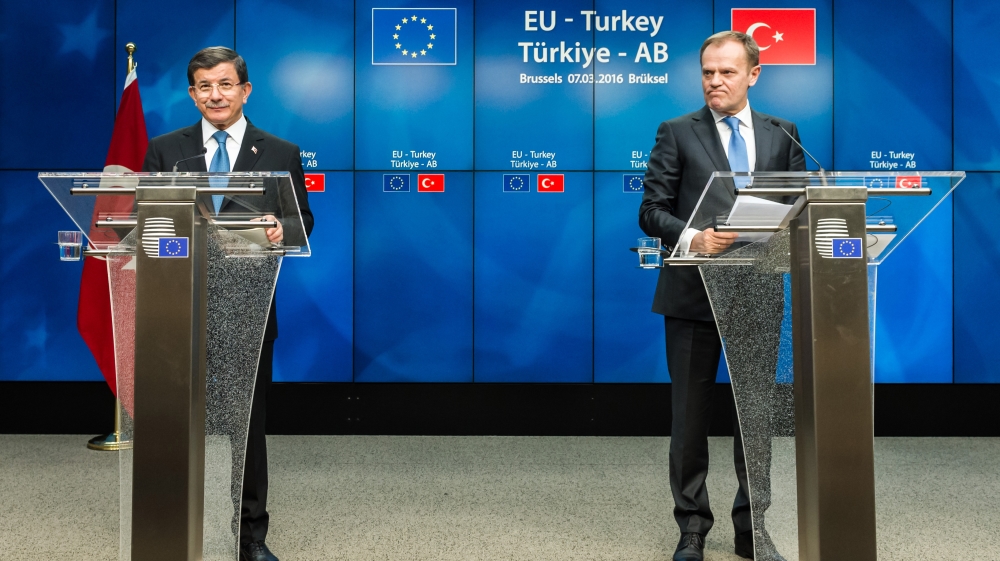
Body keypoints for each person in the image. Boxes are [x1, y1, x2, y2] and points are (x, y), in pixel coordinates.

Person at [638, 31, 805, 561]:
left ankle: (752, 529)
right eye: (708, 72)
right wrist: (694, 237)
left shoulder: (783, 133)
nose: (715, 81)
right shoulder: (676, 131)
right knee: (690, 420)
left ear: (753, 74)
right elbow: (651, 211)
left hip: (757, 292)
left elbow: (799, 205)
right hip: (692, 296)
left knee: (754, 419)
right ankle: (692, 529)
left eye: (727, 72)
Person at [142, 46, 314, 561]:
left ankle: (250, 537)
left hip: (248, 308)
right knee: (175, 425)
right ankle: (171, 526)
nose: (214, 95)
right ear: (192, 93)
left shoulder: (280, 152)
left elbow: (301, 219)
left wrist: (281, 227)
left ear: (245, 90)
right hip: (176, 309)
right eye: (204, 86)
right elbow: (149, 222)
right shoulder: (165, 150)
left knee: (246, 428)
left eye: (224, 84)